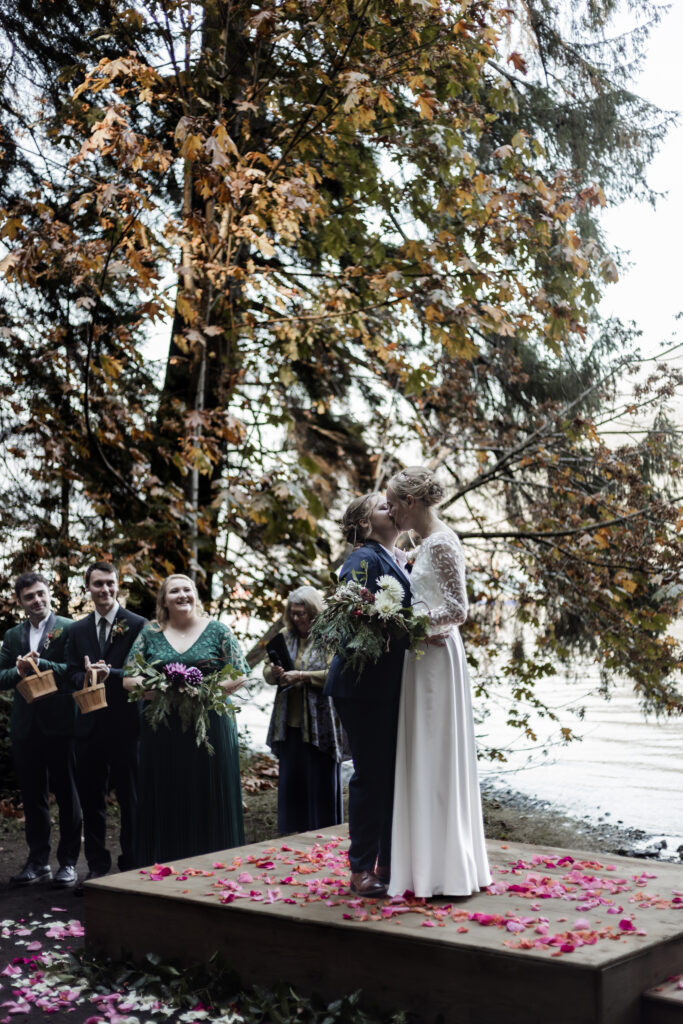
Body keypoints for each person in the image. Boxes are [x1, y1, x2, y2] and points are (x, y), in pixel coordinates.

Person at [385, 466, 491, 898]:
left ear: (410, 503)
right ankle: (424, 864)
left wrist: (405, 620)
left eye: (392, 503)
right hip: (420, 653)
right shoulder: (424, 545)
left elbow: (458, 608)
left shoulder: (445, 543)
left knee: (437, 752)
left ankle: (444, 868)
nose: (389, 511)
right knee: (421, 751)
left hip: (436, 655)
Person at [123, 574, 249, 866]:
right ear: (163, 600)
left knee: (207, 791)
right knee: (169, 790)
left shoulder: (218, 630)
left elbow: (239, 673)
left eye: (187, 589)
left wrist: (203, 691)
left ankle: (215, 860)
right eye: (174, 591)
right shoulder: (150, 633)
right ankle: (167, 858)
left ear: (196, 595)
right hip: (163, 725)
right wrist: (158, 689)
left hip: (210, 725)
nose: (182, 595)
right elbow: (129, 678)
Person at [323, 493, 411, 897]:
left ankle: (389, 861)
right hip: (361, 684)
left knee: (390, 776)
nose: (390, 509)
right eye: (381, 507)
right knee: (371, 776)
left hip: (387, 685)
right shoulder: (363, 558)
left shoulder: (398, 559)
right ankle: (361, 868)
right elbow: (349, 610)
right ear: (363, 525)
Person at [66, 562, 147, 884]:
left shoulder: (138, 624)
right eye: (98, 584)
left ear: (118, 585)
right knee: (91, 799)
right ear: (88, 587)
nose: (105, 589)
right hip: (89, 727)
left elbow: (143, 673)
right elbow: (70, 674)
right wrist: (85, 676)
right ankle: (97, 866)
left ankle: (132, 862)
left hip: (127, 724)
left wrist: (108, 675)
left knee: (131, 798)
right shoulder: (77, 629)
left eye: (110, 583)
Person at [0, 572, 81, 888]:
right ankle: (37, 862)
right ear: (20, 602)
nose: (37, 600)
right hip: (26, 726)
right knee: (32, 796)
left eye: (41, 593)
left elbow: (76, 672)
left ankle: (69, 863)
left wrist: (42, 665)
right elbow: (1, 676)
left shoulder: (70, 628)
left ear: (49, 594)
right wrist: (18, 670)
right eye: (29, 596)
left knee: (67, 795)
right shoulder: (12, 636)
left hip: (62, 724)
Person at [264, 586, 346, 834]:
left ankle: (324, 833)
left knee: (320, 782)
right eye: (293, 613)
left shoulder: (329, 636)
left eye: (302, 613)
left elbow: (335, 674)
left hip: (321, 726)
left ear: (314, 612)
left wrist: (301, 676)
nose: (297, 618)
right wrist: (275, 672)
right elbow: (267, 674)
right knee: (292, 784)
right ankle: (290, 835)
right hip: (289, 725)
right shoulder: (285, 636)